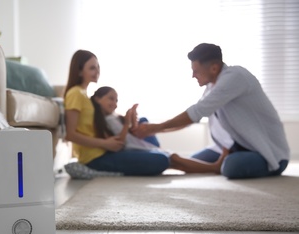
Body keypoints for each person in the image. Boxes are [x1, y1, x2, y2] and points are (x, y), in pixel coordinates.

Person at [132, 43, 290, 179]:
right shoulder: (211, 87)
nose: (193, 75)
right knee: (192, 162)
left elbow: (196, 112)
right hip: (233, 146)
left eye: (196, 70)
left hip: (266, 153)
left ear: (214, 68)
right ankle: (225, 160)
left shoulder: (235, 77)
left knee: (230, 167)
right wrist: (153, 131)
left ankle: (230, 162)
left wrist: (156, 127)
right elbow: (193, 118)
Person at [64, 50, 224, 176]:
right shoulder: (75, 94)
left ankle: (213, 167)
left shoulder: (85, 96)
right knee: (162, 160)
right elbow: (70, 135)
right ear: (79, 71)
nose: (97, 71)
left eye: (98, 67)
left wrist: (123, 127)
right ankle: (213, 167)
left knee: (153, 136)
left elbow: (96, 129)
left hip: (105, 150)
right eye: (92, 67)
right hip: (94, 158)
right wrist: (105, 143)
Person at [90, 85, 226, 174]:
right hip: (131, 149)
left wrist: (132, 121)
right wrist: (126, 124)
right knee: (174, 159)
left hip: (139, 143)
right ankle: (214, 167)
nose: (114, 103)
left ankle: (213, 167)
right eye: (111, 99)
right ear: (97, 99)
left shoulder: (114, 117)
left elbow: (129, 133)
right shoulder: (101, 121)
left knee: (173, 157)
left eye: (116, 100)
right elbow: (119, 142)